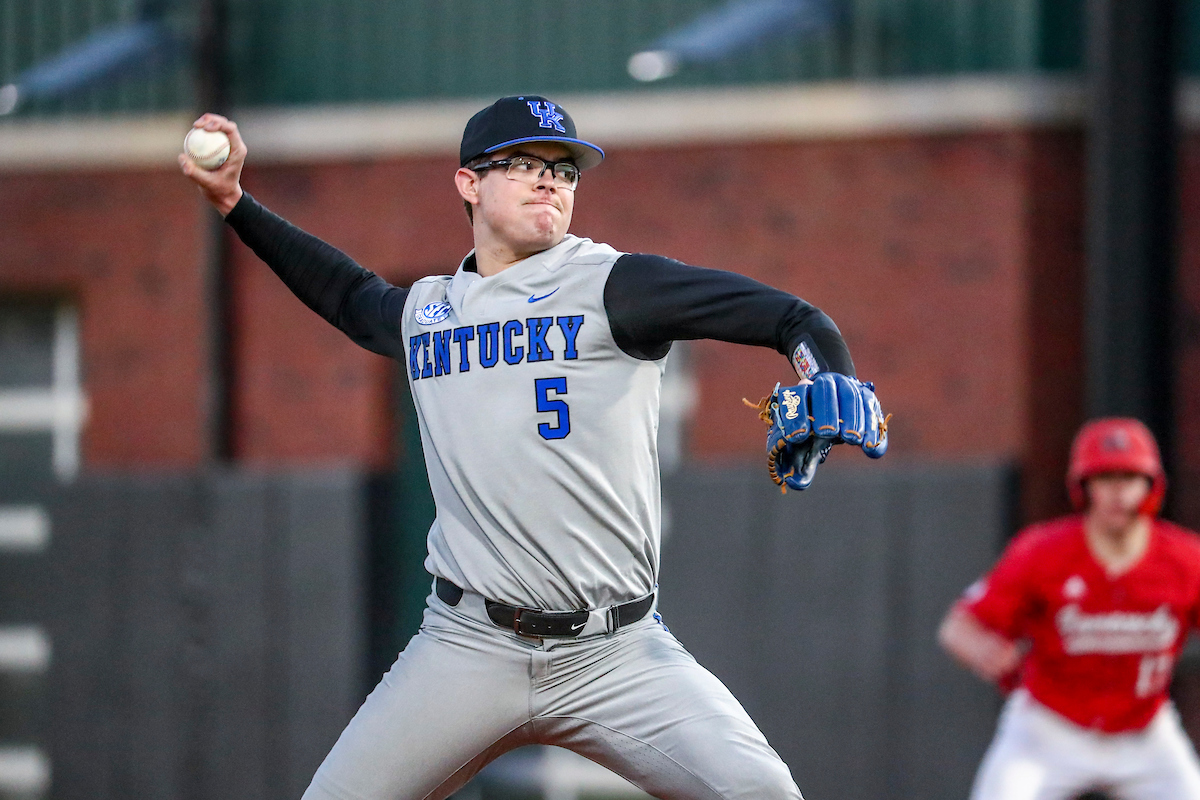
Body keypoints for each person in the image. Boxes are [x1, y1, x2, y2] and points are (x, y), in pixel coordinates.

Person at [179, 95, 883, 800]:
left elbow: (791, 316)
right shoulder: (430, 312)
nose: (550, 179)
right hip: (466, 645)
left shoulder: (611, 284)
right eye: (521, 163)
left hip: (616, 651)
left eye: (565, 170)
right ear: (468, 183)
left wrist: (829, 372)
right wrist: (236, 202)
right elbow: (346, 294)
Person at [939, 417, 1200, 800]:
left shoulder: (1185, 559)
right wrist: (983, 650)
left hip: (1143, 731)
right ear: (1084, 486)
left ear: (1151, 485)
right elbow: (958, 627)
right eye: (1105, 478)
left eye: (1128, 478)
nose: (1118, 492)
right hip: (1049, 729)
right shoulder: (1042, 551)